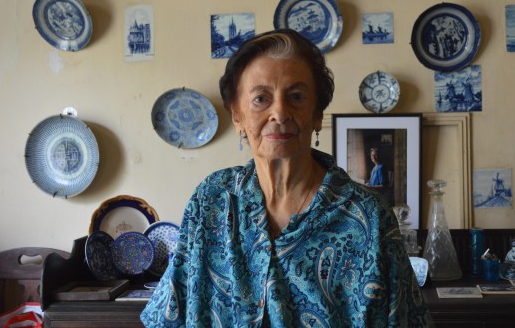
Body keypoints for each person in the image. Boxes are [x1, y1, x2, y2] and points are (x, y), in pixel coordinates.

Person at [140, 29, 432, 327]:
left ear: (317, 114)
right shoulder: (212, 200)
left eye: (296, 96)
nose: (279, 112)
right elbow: (171, 312)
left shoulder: (368, 216)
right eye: (260, 99)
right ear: (237, 116)